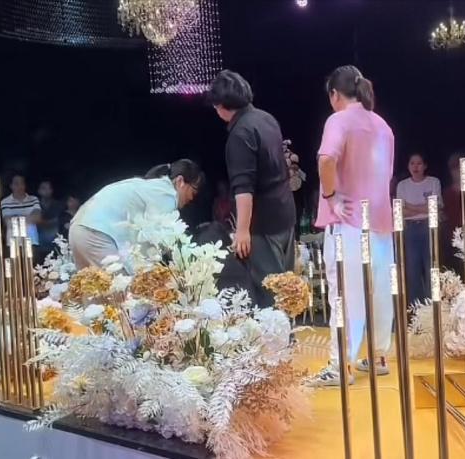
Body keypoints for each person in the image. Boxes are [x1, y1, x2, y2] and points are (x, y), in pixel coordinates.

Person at [306, 65, 395, 387]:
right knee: (379, 293)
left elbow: (326, 159)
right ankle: (379, 356)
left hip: (350, 223)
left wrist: (330, 197)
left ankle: (341, 365)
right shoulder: (382, 125)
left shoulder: (339, 120)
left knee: (346, 295)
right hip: (381, 223)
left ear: (335, 94)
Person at [207, 69, 296, 308]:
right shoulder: (267, 119)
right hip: (286, 212)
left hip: (264, 223)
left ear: (221, 105)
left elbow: (243, 188)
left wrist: (242, 230)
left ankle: (279, 332)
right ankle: (288, 331)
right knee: (287, 290)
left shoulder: (240, 134)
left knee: (270, 293)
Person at [69, 160, 203, 270]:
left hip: (78, 228)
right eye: (194, 191)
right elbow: (154, 238)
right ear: (180, 181)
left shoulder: (152, 187)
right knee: (121, 290)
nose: (192, 198)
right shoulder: (167, 194)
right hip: (96, 233)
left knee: (92, 290)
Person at [396, 153, 442, 309]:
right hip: (410, 229)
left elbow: (435, 206)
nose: (415, 167)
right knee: (412, 269)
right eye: (412, 163)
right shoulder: (402, 185)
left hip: (429, 227)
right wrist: (423, 207)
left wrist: (410, 206)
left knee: (431, 267)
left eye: (419, 163)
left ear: (425, 166)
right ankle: (416, 308)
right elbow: (400, 210)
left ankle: (433, 307)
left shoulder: (433, 182)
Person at [1, 174, 41, 254]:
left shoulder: (34, 199)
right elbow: (8, 222)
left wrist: (16, 217)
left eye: (22, 183)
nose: (19, 186)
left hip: (32, 241)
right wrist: (28, 217)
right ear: (11, 186)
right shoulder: (5, 202)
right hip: (13, 242)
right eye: (16, 184)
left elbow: (37, 218)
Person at [36, 180, 63, 258]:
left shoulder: (58, 205)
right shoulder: (35, 205)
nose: (46, 191)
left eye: (49, 188)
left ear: (52, 190)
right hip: (38, 247)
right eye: (44, 188)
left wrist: (42, 222)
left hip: (55, 246)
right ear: (39, 191)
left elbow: (59, 221)